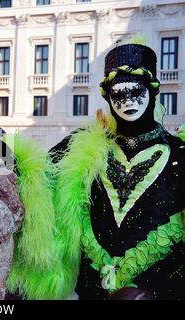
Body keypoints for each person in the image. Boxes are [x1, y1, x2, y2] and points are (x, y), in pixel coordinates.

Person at [47, 38, 184, 299]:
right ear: (108, 97)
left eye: (136, 92)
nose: (128, 101)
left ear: (152, 91)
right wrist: (2, 152)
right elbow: (39, 173)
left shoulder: (180, 153)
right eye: (118, 95)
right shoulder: (82, 148)